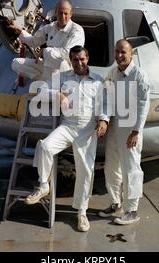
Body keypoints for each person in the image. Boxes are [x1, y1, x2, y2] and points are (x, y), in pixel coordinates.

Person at [25, 45, 109, 232]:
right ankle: (43, 185)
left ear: (88, 59)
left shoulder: (97, 81)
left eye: (82, 59)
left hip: (87, 129)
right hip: (67, 125)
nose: (79, 63)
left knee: (85, 171)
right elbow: (41, 91)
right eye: (75, 60)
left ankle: (82, 213)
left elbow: (104, 104)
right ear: (71, 61)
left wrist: (103, 120)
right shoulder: (63, 77)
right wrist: (57, 93)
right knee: (46, 147)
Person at [98, 39, 150, 225]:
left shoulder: (139, 75)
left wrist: (136, 131)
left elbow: (144, 104)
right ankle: (115, 203)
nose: (119, 56)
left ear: (132, 54)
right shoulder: (113, 73)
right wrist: (104, 119)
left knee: (131, 169)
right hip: (115, 125)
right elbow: (106, 99)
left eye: (123, 52)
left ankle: (132, 210)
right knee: (111, 167)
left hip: (130, 127)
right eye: (117, 52)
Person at [10, 0, 85, 80]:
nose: (63, 16)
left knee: (49, 52)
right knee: (16, 63)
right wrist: (19, 31)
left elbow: (71, 53)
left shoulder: (76, 30)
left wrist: (45, 51)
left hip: (67, 70)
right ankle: (46, 81)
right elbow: (33, 41)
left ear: (71, 14)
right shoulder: (50, 27)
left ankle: (56, 84)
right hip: (48, 68)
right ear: (55, 13)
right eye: (60, 13)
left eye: (66, 13)